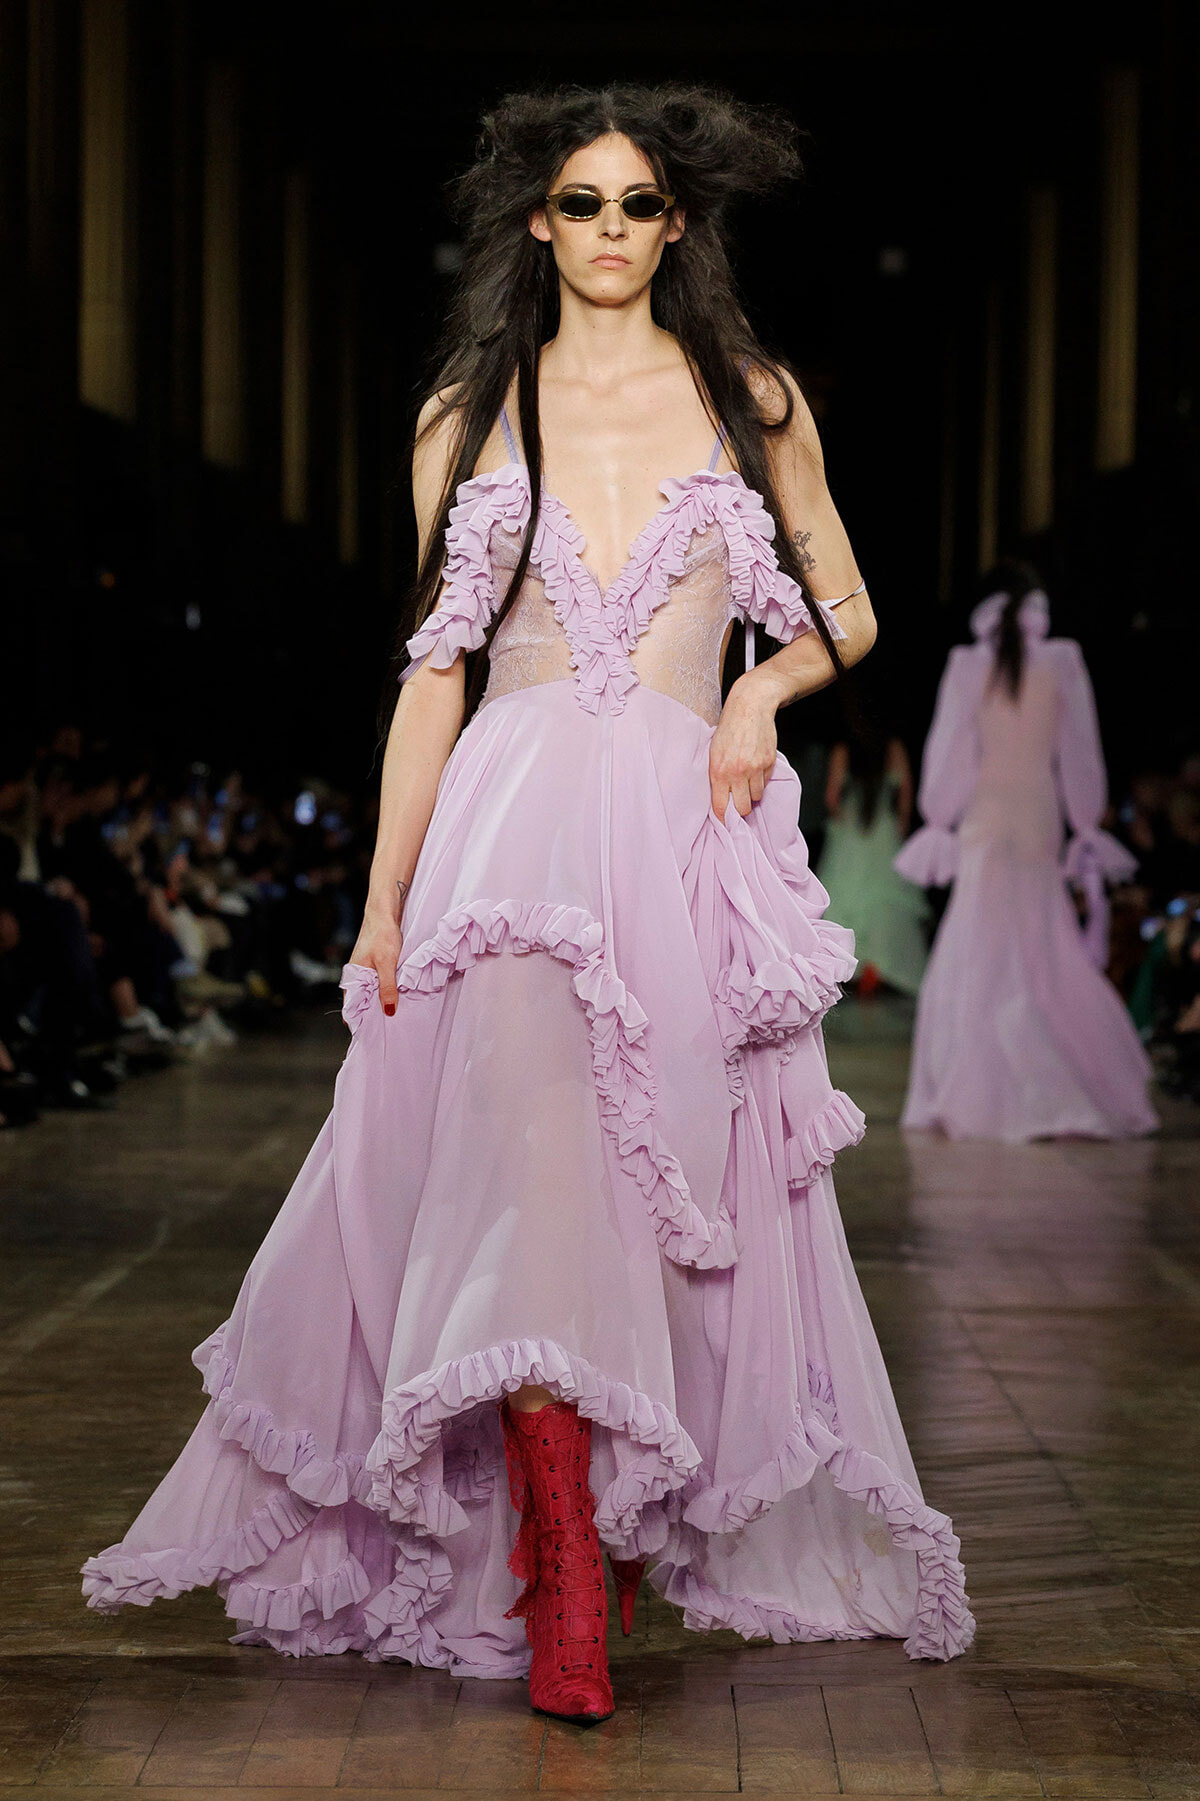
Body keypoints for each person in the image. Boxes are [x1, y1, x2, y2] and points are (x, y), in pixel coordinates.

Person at [82, 84, 974, 1727]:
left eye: (640, 203)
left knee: (669, 1206)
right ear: (538, 222)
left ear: (678, 224)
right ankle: (561, 1570)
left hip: (683, 830)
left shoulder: (753, 397)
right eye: (584, 202)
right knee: (534, 1184)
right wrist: (381, 896)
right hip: (509, 837)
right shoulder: (465, 411)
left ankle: (607, 1533)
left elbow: (845, 606)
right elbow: (433, 671)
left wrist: (764, 694)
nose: (613, 230)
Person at [895, 560, 1157, 1142]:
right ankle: (1060, 1084)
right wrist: (1084, 819)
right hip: (1039, 811)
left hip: (987, 814)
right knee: (1042, 943)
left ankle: (976, 1091)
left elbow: (950, 748)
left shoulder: (970, 665)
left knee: (979, 947)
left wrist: (940, 814)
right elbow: (1081, 749)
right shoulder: (1062, 662)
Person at [817, 725, 928, 997]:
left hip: (851, 833)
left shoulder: (843, 749)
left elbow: (831, 797)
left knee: (845, 896)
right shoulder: (894, 747)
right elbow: (905, 795)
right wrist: (900, 828)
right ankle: (880, 970)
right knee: (884, 900)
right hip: (884, 832)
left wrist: (840, 817)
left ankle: (850, 971)